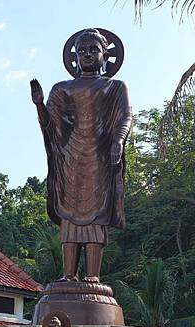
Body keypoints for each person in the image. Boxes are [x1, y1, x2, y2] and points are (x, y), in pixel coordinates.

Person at [30, 28, 131, 283]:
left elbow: (125, 116)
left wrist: (118, 141)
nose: (87, 54)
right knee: (69, 218)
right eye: (82, 50)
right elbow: (51, 126)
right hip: (69, 157)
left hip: (100, 157)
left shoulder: (115, 87)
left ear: (105, 55)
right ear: (74, 57)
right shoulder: (63, 88)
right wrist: (40, 105)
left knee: (96, 216)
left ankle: (92, 276)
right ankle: (68, 274)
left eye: (94, 50)